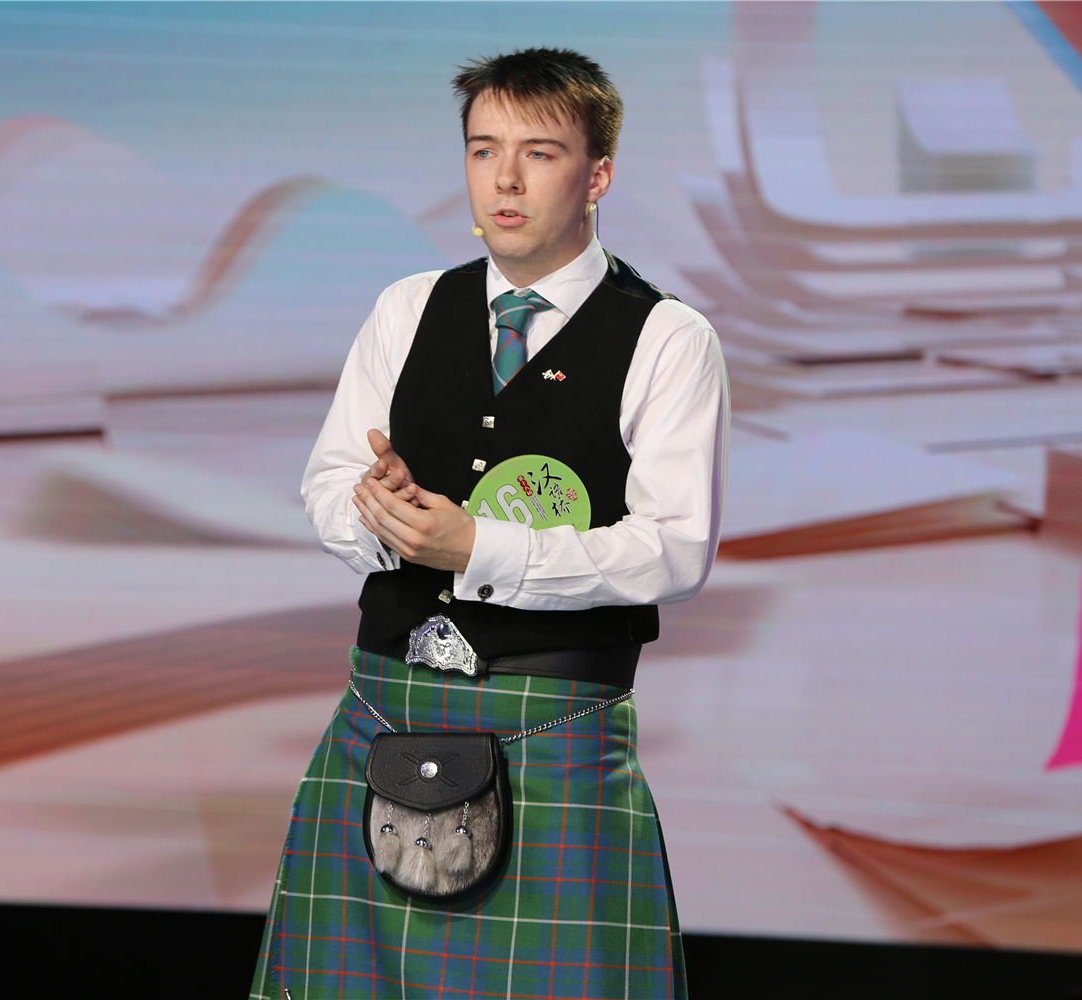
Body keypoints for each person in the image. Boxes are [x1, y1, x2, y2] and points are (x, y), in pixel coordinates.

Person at [251, 47, 727, 1000]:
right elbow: (330, 482)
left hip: (554, 725)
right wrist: (381, 515)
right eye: (483, 150)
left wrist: (477, 548)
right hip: (386, 703)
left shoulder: (668, 337)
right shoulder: (406, 308)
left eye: (539, 153)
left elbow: (675, 547)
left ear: (598, 175)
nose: (504, 179)